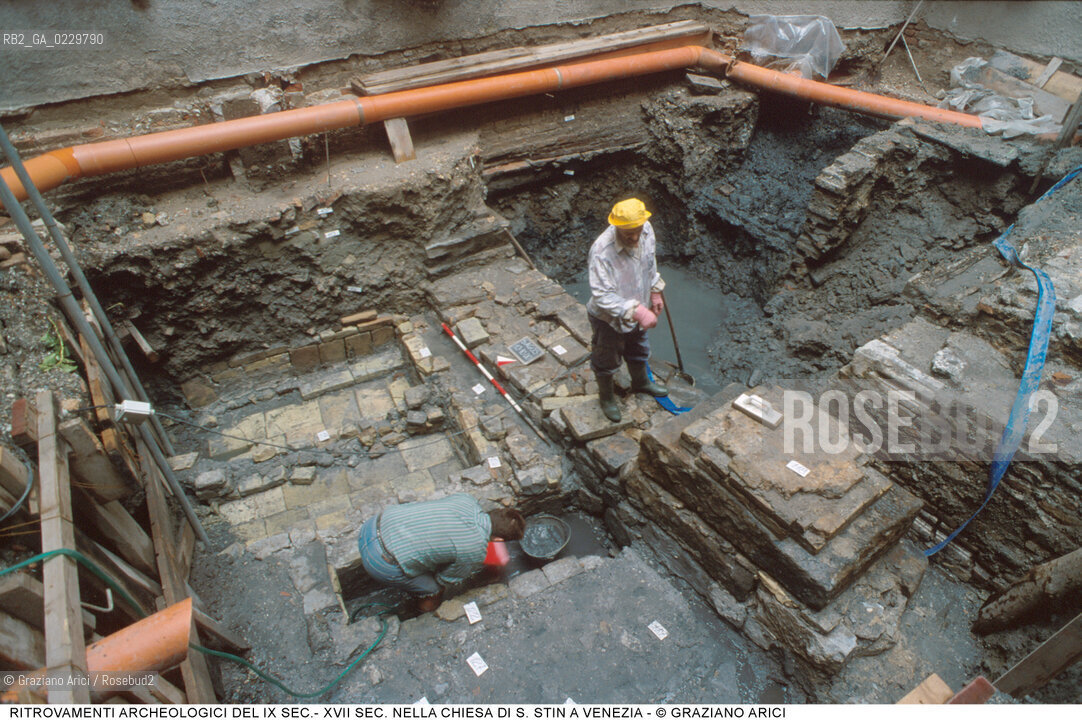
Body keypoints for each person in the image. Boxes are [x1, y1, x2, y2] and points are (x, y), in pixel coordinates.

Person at [358, 493, 525, 612]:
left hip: (372, 526)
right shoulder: (475, 549)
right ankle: (424, 614)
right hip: (379, 561)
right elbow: (445, 578)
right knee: (435, 589)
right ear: (498, 541)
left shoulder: (467, 500)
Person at [586, 198, 669, 423]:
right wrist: (637, 311)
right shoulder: (602, 251)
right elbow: (601, 295)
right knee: (606, 358)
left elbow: (649, 262)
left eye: (637, 231)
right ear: (617, 227)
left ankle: (641, 382)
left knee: (638, 347)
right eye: (627, 233)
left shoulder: (646, 230)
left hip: (639, 302)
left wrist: (655, 290)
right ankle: (606, 397)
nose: (634, 237)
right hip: (608, 318)